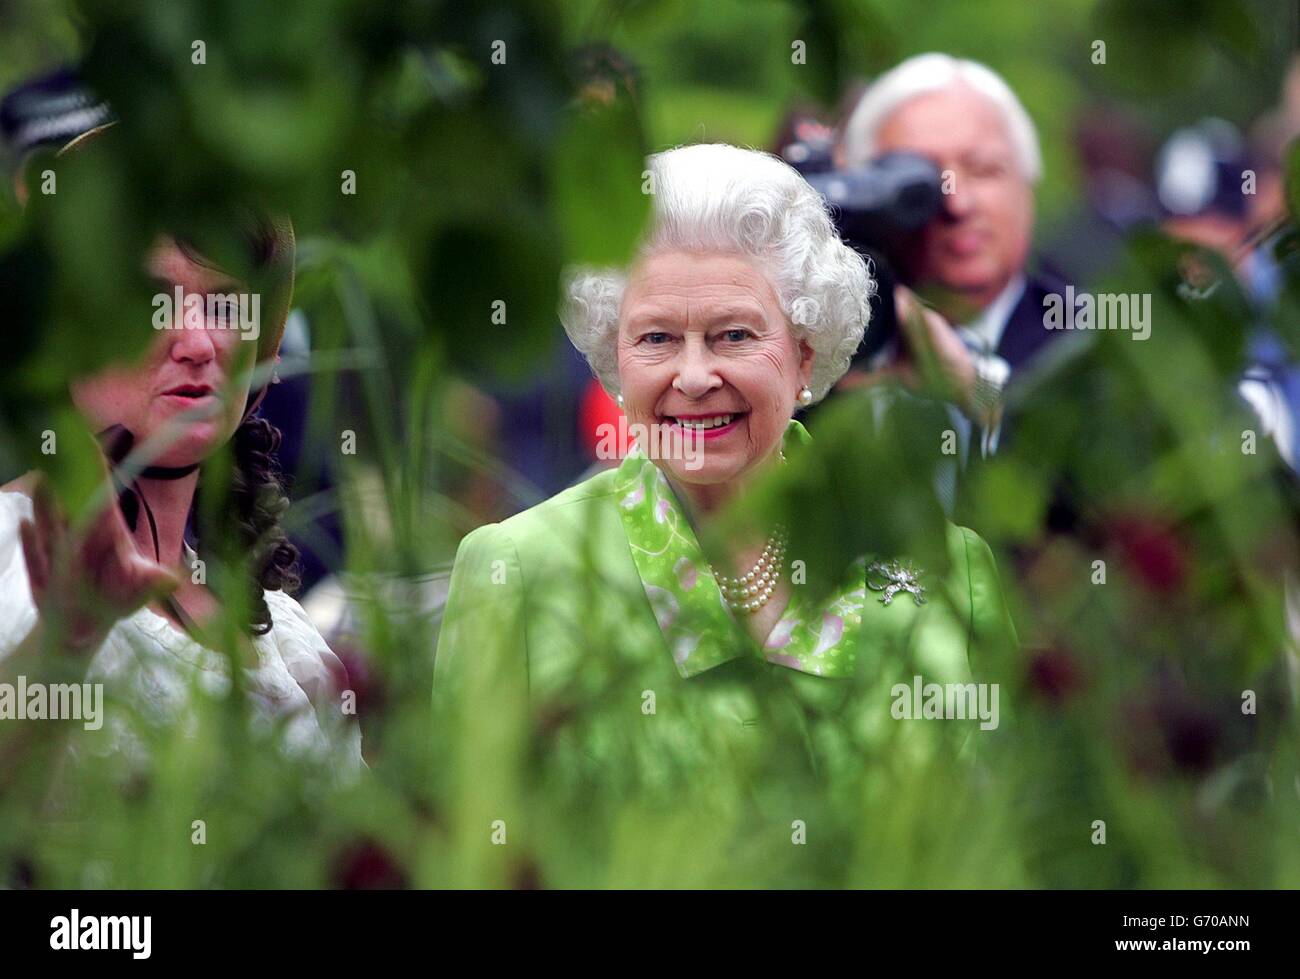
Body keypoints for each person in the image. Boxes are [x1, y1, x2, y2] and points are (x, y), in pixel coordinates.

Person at [433, 144, 1016, 787]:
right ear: (614, 360)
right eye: (656, 338)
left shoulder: (948, 567)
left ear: (803, 354)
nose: (693, 377)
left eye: (733, 335)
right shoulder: (517, 572)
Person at [0, 123, 361, 773]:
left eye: (226, 308)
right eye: (151, 304)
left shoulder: (285, 635)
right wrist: (66, 642)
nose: (196, 341)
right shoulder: (7, 550)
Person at [838, 53, 1067, 463]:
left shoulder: (1088, 339)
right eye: (918, 181)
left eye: (983, 169)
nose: (956, 203)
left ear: (1028, 185)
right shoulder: (821, 342)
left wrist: (972, 390)